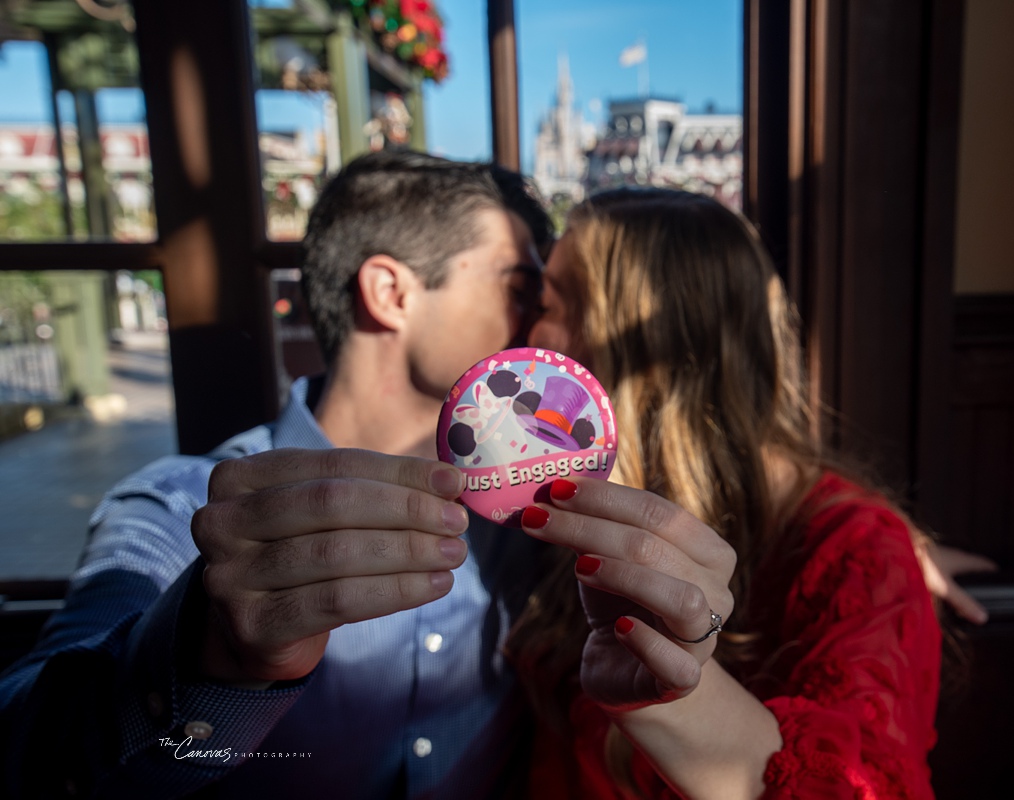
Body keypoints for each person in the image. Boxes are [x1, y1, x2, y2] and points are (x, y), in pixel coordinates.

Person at [0, 149, 554, 799]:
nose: (541, 329)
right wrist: (199, 657)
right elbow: (21, 752)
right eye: (519, 290)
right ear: (391, 292)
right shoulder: (182, 512)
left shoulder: (525, 513)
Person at [505, 187, 947, 798]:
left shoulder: (856, 556)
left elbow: (861, 784)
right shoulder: (571, 508)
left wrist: (672, 696)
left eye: (544, 304)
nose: (522, 337)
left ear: (639, 344)